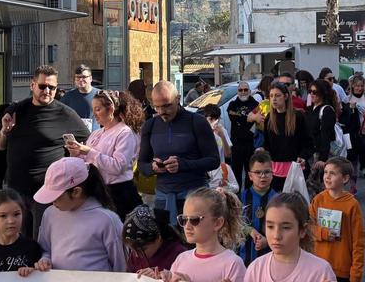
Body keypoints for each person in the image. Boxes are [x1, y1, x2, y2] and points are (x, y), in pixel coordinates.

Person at [0, 65, 89, 238]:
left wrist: (75, 155)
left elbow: (89, 141)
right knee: (17, 241)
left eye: (52, 88)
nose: (47, 91)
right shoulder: (16, 110)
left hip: (47, 191)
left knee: (42, 240)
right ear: (32, 85)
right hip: (16, 190)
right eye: (42, 86)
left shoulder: (65, 114)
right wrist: (5, 131)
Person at [138, 80, 221, 224]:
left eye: (167, 105)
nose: (162, 111)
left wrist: (183, 165)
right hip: (163, 197)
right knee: (168, 243)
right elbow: (141, 165)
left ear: (178, 99)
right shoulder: (150, 126)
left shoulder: (197, 121)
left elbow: (214, 160)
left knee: (195, 242)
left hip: (194, 194)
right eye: (157, 107)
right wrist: (153, 167)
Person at [144, 187, 246, 282]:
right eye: (183, 219)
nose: (187, 226)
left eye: (194, 220)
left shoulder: (232, 263)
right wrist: (159, 281)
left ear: (217, 223)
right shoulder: (181, 259)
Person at [33, 158, 126, 273]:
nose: (53, 202)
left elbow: (121, 266)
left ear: (76, 192)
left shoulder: (107, 220)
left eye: (57, 197)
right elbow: (44, 248)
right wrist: (45, 259)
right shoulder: (49, 214)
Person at [238, 193, 342, 282]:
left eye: (286, 228)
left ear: (302, 230)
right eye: (270, 227)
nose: (276, 235)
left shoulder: (321, 271)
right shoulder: (256, 268)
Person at [67, 90, 143, 219]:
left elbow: (118, 167)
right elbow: (87, 164)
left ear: (111, 109)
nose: (94, 114)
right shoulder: (96, 133)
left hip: (119, 193)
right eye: (93, 109)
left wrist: (89, 152)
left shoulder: (125, 133)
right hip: (98, 190)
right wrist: (76, 154)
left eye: (98, 109)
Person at [310, 157, 365, 282]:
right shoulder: (318, 200)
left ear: (345, 179)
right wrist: (323, 233)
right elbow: (307, 227)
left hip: (342, 270)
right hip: (319, 266)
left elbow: (358, 241)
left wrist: (356, 271)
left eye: (332, 173)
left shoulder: (352, 205)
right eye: (325, 172)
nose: (327, 177)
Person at [253, 81, 312, 191]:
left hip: (295, 167)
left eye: (277, 95)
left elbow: (308, 142)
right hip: (275, 169)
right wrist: (262, 149)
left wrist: (303, 156)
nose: (274, 99)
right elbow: (267, 144)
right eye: (271, 96)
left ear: (285, 96)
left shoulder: (298, 116)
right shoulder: (269, 118)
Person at [123, 205, 188, 274]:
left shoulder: (179, 254)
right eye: (132, 249)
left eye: (143, 249)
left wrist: (160, 276)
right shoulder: (136, 252)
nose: (136, 255)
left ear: (158, 238)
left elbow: (185, 281)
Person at [239, 150, 275, 264]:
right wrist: (249, 230)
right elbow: (234, 223)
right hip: (246, 256)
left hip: (271, 256)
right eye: (258, 172)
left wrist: (268, 241)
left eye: (266, 172)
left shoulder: (278, 199)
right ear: (250, 175)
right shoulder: (241, 197)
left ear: (272, 174)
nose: (262, 176)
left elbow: (284, 229)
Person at [226, 82, 260, 188]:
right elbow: (234, 117)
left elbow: (257, 120)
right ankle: (236, 198)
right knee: (236, 172)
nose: (243, 92)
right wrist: (249, 118)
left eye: (245, 90)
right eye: (241, 90)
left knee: (251, 172)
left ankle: (248, 198)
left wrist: (244, 120)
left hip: (251, 143)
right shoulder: (232, 105)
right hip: (236, 144)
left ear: (249, 91)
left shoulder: (255, 105)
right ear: (238, 92)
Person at [307, 78, 340, 169]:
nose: (311, 94)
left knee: (320, 181)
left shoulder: (327, 110)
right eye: (310, 91)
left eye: (315, 92)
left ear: (322, 93)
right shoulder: (311, 108)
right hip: (310, 152)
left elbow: (326, 135)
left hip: (320, 154)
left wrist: (323, 158)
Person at [60, 64, 100, 129]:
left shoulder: (99, 94)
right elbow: (60, 116)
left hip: (96, 136)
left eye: (84, 77)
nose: (81, 80)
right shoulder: (68, 96)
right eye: (78, 77)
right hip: (76, 136)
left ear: (90, 78)